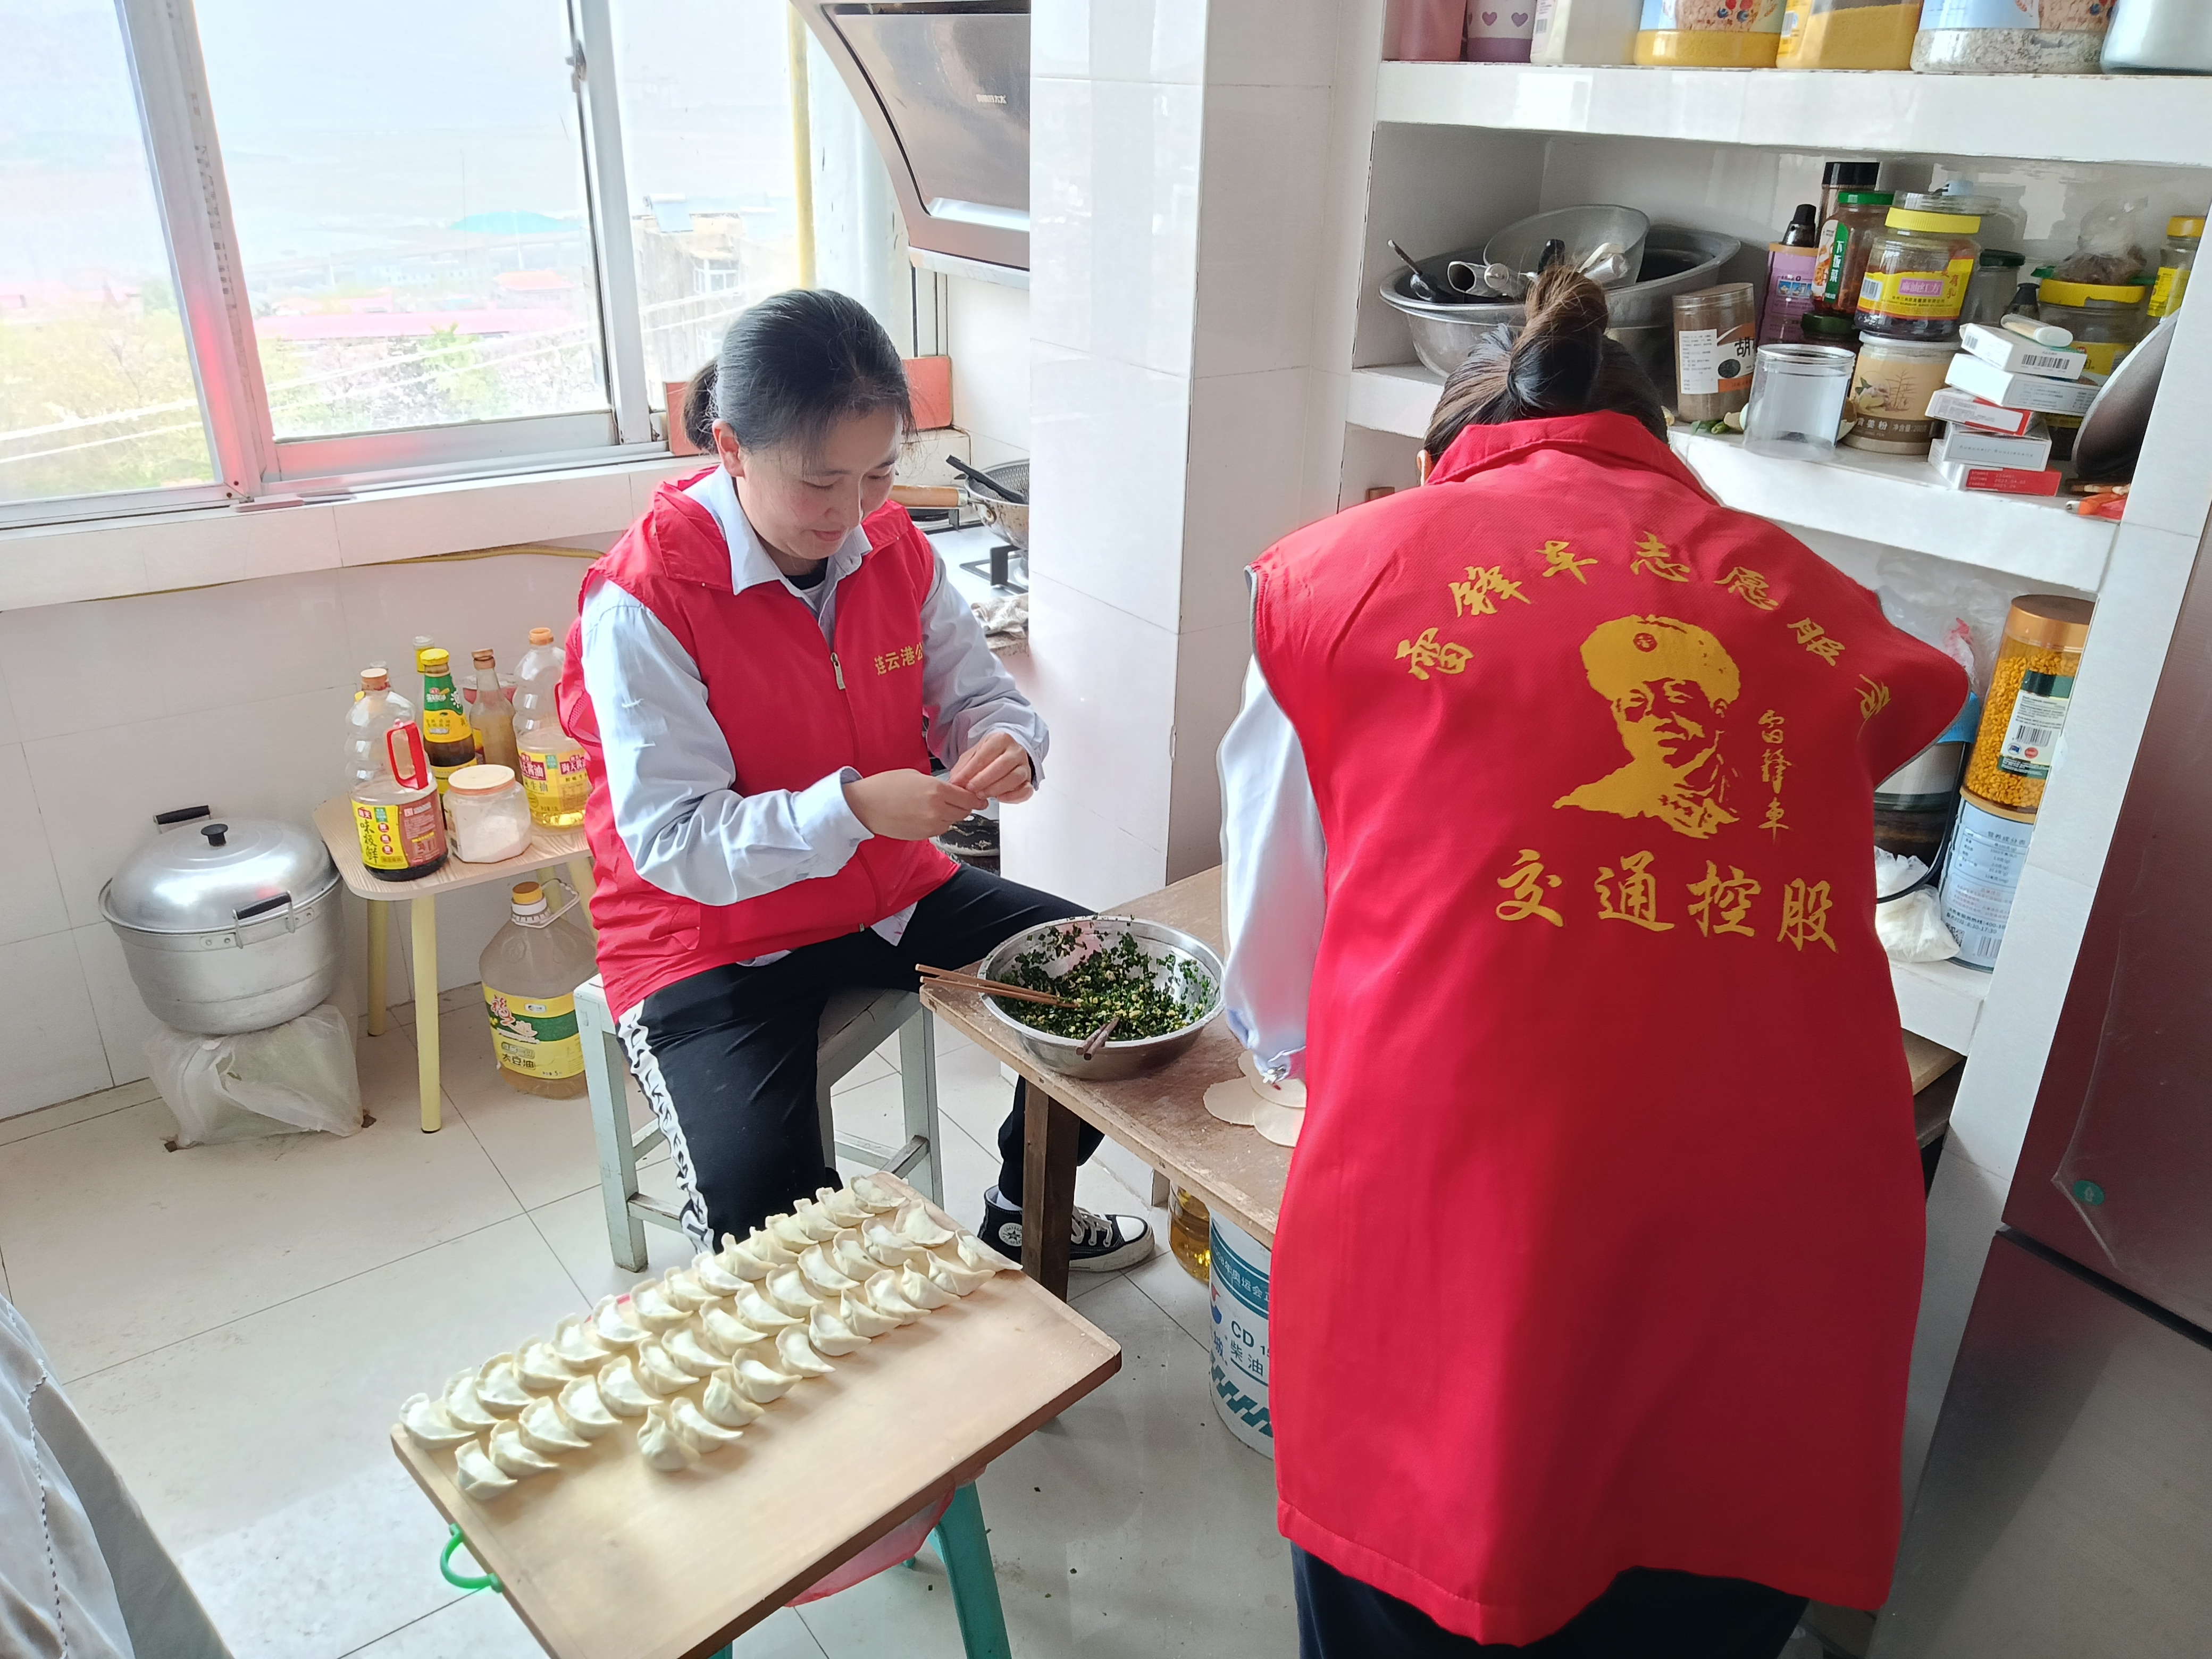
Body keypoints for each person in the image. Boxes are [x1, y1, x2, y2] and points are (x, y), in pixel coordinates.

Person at [1218, 267, 1967, 1657]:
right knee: (1689, 1593)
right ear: (1663, 459)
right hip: (1780, 1252)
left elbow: (1274, 984)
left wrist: (1343, 1066)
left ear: (1444, 465)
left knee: (1436, 1566)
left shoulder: (1347, 580)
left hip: (1467, 1225)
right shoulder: (1801, 599)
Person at [561, 288, 1150, 1270]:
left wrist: (1006, 743)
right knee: (772, 1231)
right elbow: (675, 843)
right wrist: (855, 808)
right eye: (819, 482)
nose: (851, 513)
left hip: (884, 894)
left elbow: (979, 695)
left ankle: (1023, 1206)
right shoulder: (647, 599)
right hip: (709, 939)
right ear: (731, 449)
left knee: (1113, 990)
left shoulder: (893, 548)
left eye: (878, 474)